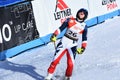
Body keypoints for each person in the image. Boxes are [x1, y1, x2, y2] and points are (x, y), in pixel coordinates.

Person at [45, 8, 88, 80]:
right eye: (80, 12)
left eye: (83, 13)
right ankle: (48, 77)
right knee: (55, 61)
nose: (81, 14)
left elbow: (84, 38)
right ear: (77, 13)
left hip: (73, 45)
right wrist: (54, 35)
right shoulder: (70, 20)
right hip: (63, 42)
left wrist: (83, 48)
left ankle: (67, 77)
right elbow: (60, 28)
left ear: (85, 16)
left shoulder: (84, 26)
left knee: (71, 64)